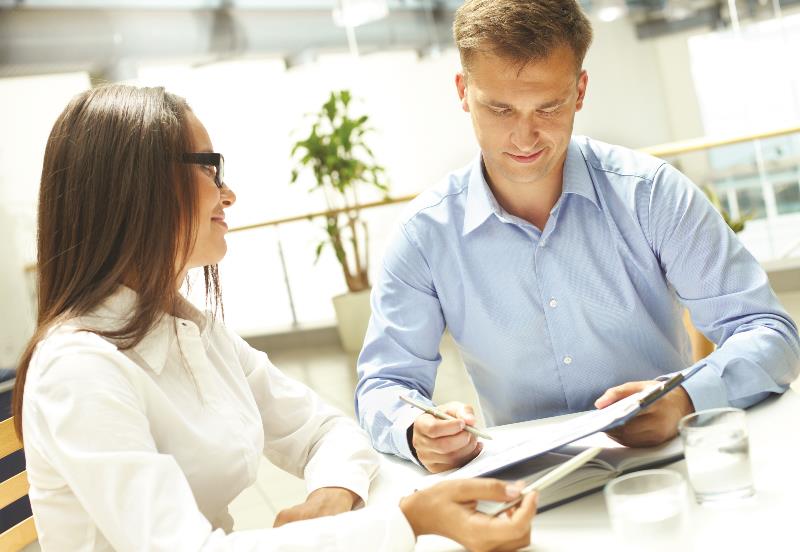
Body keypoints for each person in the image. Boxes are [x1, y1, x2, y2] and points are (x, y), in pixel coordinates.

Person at [12, 84, 537, 551]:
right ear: (135, 188)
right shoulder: (79, 370)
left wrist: (332, 496)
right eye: (208, 167)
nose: (228, 193)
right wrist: (405, 523)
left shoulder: (187, 326)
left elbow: (324, 430)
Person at [355, 0, 800, 473]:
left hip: (667, 464)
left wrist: (686, 399)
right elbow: (383, 384)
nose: (525, 138)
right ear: (464, 91)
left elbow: (769, 333)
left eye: (548, 107)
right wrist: (414, 428)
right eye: (500, 108)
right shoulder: (425, 236)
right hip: (528, 488)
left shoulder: (651, 194)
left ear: (580, 90)